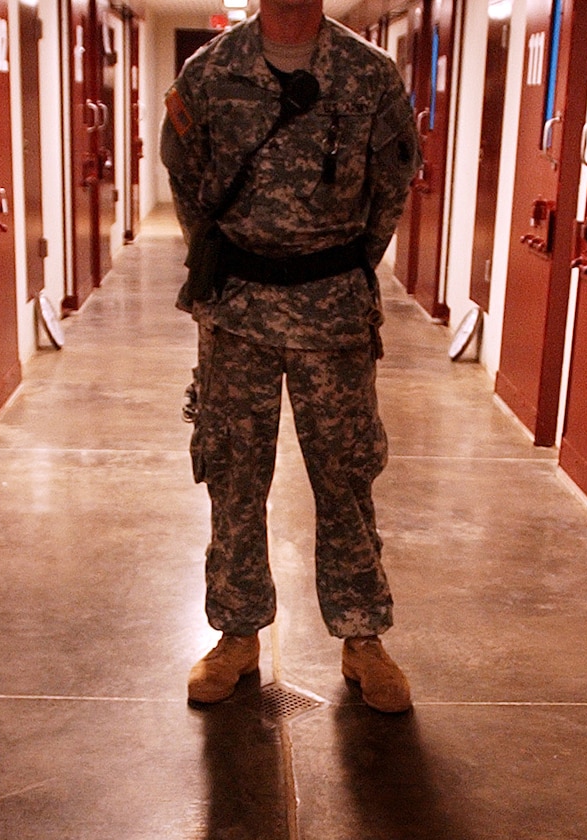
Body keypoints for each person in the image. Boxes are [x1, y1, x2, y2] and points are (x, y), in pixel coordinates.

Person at [160, 0, 420, 712]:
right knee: (235, 476)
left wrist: (337, 267)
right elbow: (186, 179)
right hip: (238, 309)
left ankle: (363, 638)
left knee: (345, 475)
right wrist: (227, 260)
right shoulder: (210, 71)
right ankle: (236, 636)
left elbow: (392, 186)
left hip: (331, 308)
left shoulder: (370, 76)